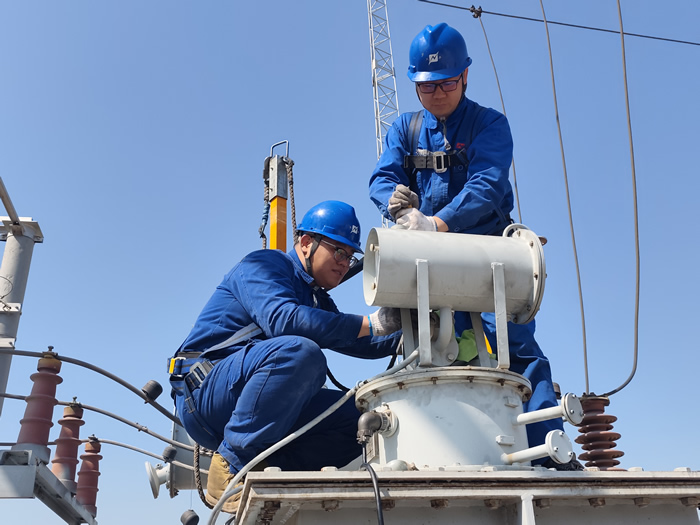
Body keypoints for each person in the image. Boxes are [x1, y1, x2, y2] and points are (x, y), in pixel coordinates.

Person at [369, 23, 580, 470]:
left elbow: (487, 184)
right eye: (427, 86)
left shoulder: (489, 124)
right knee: (425, 350)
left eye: (446, 83)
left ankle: (547, 453)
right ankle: (438, 453)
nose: (437, 94)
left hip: (488, 257)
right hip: (426, 259)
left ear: (465, 76)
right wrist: (394, 203)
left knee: (516, 351)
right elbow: (382, 177)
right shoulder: (406, 129)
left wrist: (437, 223)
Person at [168, 200, 402, 512]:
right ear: (306, 243)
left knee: (358, 420)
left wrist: (412, 329)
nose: (345, 263)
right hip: (206, 395)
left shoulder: (315, 297)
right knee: (302, 353)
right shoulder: (264, 265)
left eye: (350, 256)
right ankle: (230, 465)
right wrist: (371, 323)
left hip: (252, 403)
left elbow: (361, 342)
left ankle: (270, 470)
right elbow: (285, 320)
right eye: (339, 252)